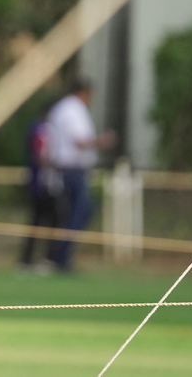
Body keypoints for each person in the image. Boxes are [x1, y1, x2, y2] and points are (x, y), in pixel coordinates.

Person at [44, 77, 117, 272]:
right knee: (80, 211)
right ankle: (60, 256)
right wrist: (102, 141)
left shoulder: (62, 108)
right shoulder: (73, 109)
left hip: (66, 169)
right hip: (72, 169)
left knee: (70, 213)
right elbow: (79, 141)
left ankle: (58, 255)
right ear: (84, 92)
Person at [17, 109, 61, 271]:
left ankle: (30, 258)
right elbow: (41, 154)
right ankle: (41, 258)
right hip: (43, 183)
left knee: (40, 221)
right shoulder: (42, 129)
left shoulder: (38, 127)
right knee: (45, 220)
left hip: (41, 182)